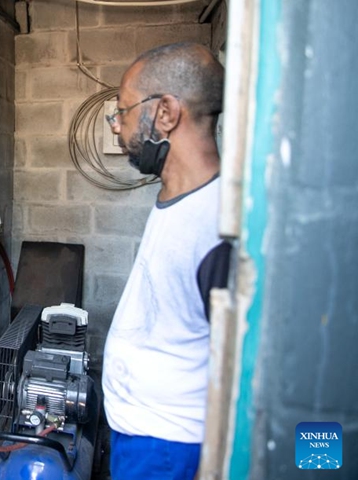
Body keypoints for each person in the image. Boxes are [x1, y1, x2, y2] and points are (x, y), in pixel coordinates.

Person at [101, 42, 231, 480]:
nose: (117, 126)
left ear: (166, 113)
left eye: (122, 110)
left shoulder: (221, 227)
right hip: (140, 436)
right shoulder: (175, 200)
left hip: (170, 449)